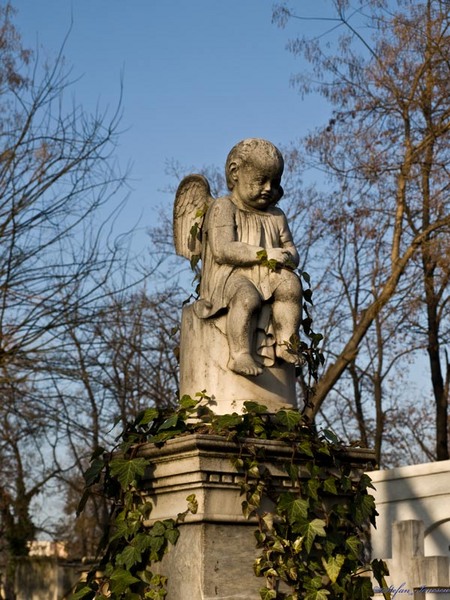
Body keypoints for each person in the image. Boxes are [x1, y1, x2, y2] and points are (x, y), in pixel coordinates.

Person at [194, 138, 302, 376]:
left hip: (267, 274)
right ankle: (239, 354)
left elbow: (292, 250)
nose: (268, 188)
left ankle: (286, 342)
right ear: (235, 172)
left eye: (274, 182)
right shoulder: (224, 207)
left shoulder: (276, 216)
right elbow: (223, 250)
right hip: (229, 275)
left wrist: (288, 257)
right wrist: (265, 254)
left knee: (291, 284)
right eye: (260, 180)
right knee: (247, 298)